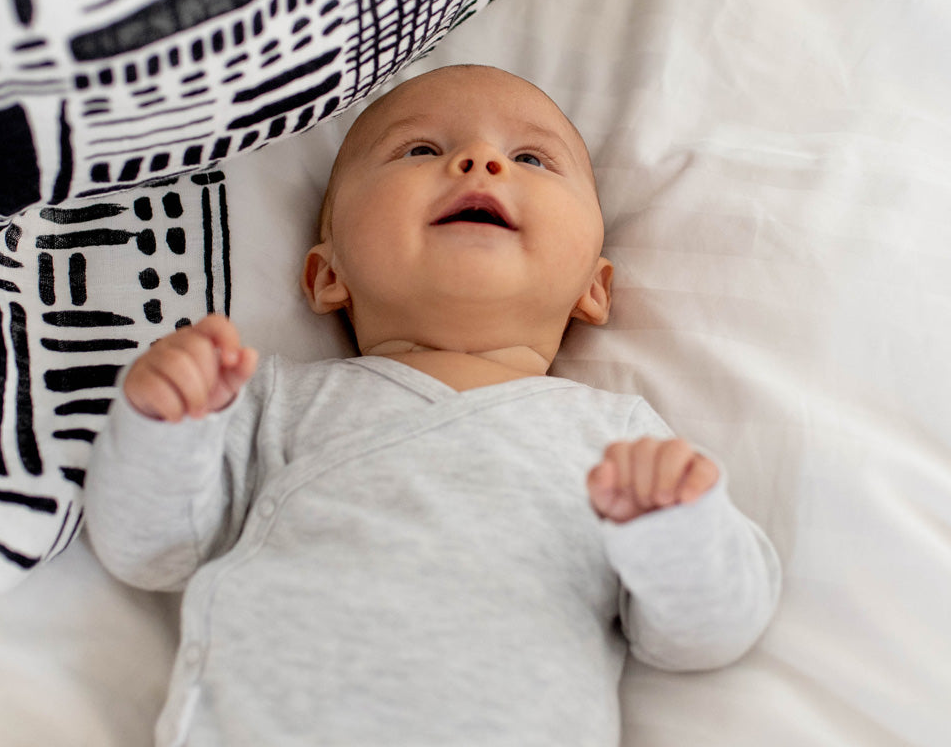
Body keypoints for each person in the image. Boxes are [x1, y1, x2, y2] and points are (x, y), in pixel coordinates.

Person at [84, 64, 781, 747]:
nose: (481, 162)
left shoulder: (615, 440)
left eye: (532, 158)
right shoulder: (274, 399)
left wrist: (674, 531)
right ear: (329, 274)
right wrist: (164, 428)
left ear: (592, 290)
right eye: (422, 149)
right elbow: (153, 553)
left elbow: (705, 634)